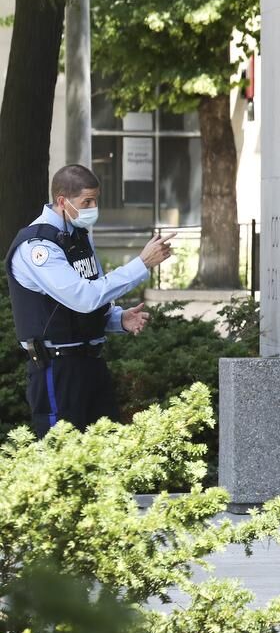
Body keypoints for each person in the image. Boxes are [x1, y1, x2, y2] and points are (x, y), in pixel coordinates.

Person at [5, 164, 175, 437]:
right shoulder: (37, 247)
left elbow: (92, 295)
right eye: (87, 201)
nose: (93, 207)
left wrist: (117, 319)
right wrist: (141, 263)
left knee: (107, 453)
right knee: (63, 459)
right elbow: (83, 298)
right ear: (62, 201)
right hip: (56, 368)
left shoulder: (78, 237)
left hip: (91, 364)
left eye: (95, 199)